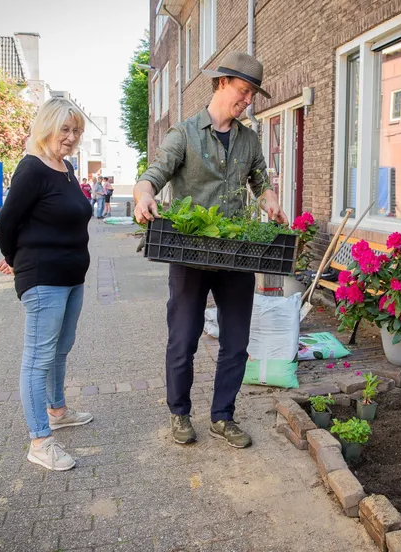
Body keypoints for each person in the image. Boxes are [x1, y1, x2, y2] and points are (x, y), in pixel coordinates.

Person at [133, 52, 287, 449]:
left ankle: (223, 416)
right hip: (190, 252)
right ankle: (179, 412)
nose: (248, 100)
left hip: (236, 254)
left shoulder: (249, 139)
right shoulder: (184, 134)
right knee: (183, 338)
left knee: (236, 342)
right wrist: (142, 196)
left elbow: (259, 182)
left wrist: (269, 199)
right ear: (222, 84)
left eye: (252, 94)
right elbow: (153, 176)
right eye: (243, 90)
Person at [0, 98, 94, 471]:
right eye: (65, 129)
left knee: (61, 349)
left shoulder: (64, 168)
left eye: (77, 131)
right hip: (44, 280)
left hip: (72, 278)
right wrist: (18, 260)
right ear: (46, 128)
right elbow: (5, 222)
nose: (71, 138)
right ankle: (40, 440)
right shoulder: (32, 168)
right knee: (38, 359)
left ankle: (57, 411)